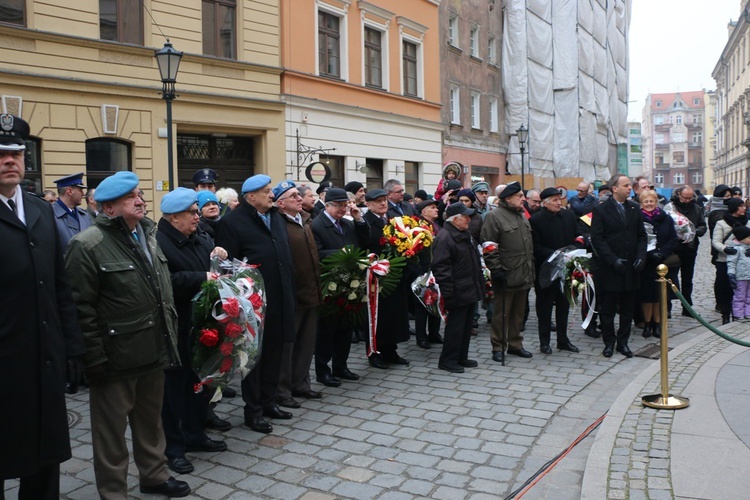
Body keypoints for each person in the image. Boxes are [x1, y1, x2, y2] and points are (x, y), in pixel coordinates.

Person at [65, 171, 189, 498]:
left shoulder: (147, 235)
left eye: (140, 194)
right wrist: (93, 358)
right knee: (111, 434)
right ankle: (113, 491)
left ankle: (154, 475)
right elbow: (80, 307)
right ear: (108, 209)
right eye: (129, 197)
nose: (140, 200)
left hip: (152, 348)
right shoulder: (87, 244)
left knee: (150, 423)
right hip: (114, 356)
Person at [0, 114, 85, 500]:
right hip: (5, 360)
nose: (10, 160)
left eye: (16, 152)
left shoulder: (38, 210)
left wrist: (72, 347)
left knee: (45, 453)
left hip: (45, 358)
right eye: (1, 153)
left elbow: (60, 285)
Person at [215, 174, 296, 434]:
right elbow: (228, 268)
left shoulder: (275, 217)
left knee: (275, 352)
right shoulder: (232, 222)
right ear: (251, 197)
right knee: (253, 358)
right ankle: (253, 411)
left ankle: (269, 401)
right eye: (266, 191)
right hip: (253, 303)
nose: (271, 195)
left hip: (280, 295)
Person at [155, 188, 229, 475]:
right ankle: (173, 448)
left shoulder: (196, 236)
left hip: (202, 324)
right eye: (192, 213)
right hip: (175, 326)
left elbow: (212, 263)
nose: (198, 217)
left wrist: (219, 256)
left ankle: (195, 434)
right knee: (173, 391)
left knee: (200, 381)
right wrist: (201, 278)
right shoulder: (159, 242)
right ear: (174, 217)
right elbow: (165, 282)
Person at [273, 181, 324, 408]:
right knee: (287, 346)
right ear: (280, 203)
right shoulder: (278, 223)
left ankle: (301, 383)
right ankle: (282, 391)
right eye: (293, 196)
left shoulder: (304, 219)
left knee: (306, 343)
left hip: (311, 290)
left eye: (298, 195)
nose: (298, 198)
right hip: (292, 293)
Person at [311, 188, 370, 387]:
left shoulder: (347, 223)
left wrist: (359, 220)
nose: (343, 209)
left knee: (346, 327)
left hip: (349, 283)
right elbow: (317, 254)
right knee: (327, 331)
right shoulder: (317, 225)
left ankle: (341, 366)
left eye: (345, 205)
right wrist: (340, 253)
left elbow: (364, 242)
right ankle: (322, 370)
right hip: (330, 284)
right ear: (327, 205)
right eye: (339, 206)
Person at [590, 173, 647, 358]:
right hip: (609, 268)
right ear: (615, 188)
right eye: (626, 185)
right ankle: (609, 342)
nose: (630, 188)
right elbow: (598, 239)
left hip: (631, 267)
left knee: (627, 309)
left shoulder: (634, 208)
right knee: (607, 309)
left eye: (630, 185)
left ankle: (623, 342)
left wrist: (641, 256)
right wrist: (612, 259)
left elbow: (641, 236)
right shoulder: (601, 209)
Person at [480, 181, 534, 364]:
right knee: (501, 314)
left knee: (518, 314)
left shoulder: (521, 216)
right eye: (519, 196)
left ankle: (515, 344)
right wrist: (496, 270)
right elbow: (488, 246)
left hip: (523, 272)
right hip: (506, 273)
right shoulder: (494, 217)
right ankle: (498, 345)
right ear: (508, 198)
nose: (523, 199)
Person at [431, 203, 484, 373]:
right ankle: (448, 360)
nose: (469, 219)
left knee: (466, 326)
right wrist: (448, 294)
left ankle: (461, 356)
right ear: (455, 219)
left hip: (468, 287)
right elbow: (441, 268)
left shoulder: (464, 233)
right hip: (456, 291)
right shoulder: (445, 237)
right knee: (455, 327)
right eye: (465, 216)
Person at [529, 187, 583, 354]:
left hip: (566, 269)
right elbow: (535, 247)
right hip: (545, 270)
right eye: (554, 200)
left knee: (563, 305)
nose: (559, 202)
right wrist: (556, 254)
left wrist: (576, 248)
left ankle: (563, 340)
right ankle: (544, 342)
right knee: (544, 307)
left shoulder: (569, 215)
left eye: (559, 199)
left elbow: (578, 235)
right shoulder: (536, 220)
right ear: (545, 203)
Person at [363, 188, 411, 369]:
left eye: (384, 200)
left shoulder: (391, 220)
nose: (383, 203)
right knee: (376, 317)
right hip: (376, 277)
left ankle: (391, 350)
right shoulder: (366, 222)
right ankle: (375, 352)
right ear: (368, 204)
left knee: (393, 315)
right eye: (378, 201)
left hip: (394, 274)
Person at [637, 189, 679, 338]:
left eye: (651, 201)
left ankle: (657, 324)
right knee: (647, 296)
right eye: (645, 201)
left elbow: (673, 239)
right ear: (641, 203)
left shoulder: (666, 218)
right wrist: (647, 254)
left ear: (656, 202)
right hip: (645, 261)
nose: (649, 204)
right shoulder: (637, 218)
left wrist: (662, 253)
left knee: (660, 295)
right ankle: (647, 323)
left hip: (661, 261)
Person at [667, 186, 707, 315]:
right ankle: (667, 307)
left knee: (687, 278)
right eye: (685, 198)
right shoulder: (671, 207)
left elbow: (702, 225)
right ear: (679, 194)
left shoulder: (696, 208)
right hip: (674, 248)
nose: (687, 200)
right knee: (670, 277)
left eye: (690, 198)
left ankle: (687, 307)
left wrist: (697, 231)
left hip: (690, 247)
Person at [712, 197, 750, 324]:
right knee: (725, 288)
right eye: (740, 206)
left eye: (744, 206)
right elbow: (716, 241)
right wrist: (725, 249)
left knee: (744, 290)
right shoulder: (721, 223)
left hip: (745, 262)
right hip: (724, 260)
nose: (744, 208)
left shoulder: (748, 222)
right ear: (734, 208)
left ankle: (740, 313)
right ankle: (725, 313)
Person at [413, 199, 443, 348]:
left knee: (436, 301)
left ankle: (434, 333)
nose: (436, 210)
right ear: (423, 211)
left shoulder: (437, 226)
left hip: (437, 270)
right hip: (423, 271)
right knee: (422, 305)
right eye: (432, 208)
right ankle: (421, 337)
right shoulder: (418, 227)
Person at [52, 172, 92, 250]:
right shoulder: (49, 215)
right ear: (70, 191)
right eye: (80, 190)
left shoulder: (84, 215)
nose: (83, 194)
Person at [727, 225, 750, 320]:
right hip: (740, 277)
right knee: (740, 296)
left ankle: (748, 312)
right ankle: (738, 314)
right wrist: (731, 274)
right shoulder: (736, 249)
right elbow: (731, 263)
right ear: (741, 239)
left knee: (749, 296)